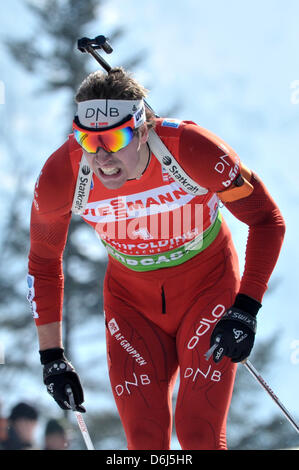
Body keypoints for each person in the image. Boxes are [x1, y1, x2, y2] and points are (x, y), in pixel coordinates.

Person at [27, 67, 285, 450]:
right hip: (132, 305)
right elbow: (44, 263)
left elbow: (267, 220)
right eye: (87, 139)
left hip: (208, 291)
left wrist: (245, 308)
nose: (101, 156)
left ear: (143, 130)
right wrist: (52, 357)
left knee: (199, 435)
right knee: (145, 441)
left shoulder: (192, 150)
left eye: (114, 138)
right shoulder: (62, 173)